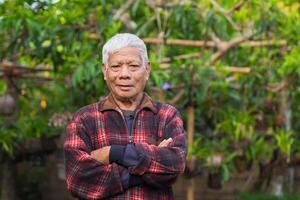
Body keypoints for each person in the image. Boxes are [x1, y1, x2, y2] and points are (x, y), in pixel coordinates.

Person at [64, 33, 187, 199]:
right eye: (116, 66)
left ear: (147, 69)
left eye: (133, 66)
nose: (124, 74)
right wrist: (151, 161)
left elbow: (175, 164)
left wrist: (113, 153)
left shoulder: (166, 115)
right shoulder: (85, 119)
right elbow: (78, 180)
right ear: (104, 71)